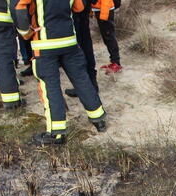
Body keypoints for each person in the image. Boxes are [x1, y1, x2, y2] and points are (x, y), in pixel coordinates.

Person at [9, 0, 108, 146]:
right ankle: (99, 120)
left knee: (50, 87)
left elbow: (17, 6)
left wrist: (26, 33)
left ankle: (57, 133)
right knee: (82, 80)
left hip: (45, 44)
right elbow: (79, 7)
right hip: (69, 42)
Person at [64, 4, 98, 98]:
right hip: (83, 8)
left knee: (79, 46)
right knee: (86, 41)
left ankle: (86, 86)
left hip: (75, 11)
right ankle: (91, 82)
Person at [93, 0, 122, 74]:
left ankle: (116, 63)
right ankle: (114, 62)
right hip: (100, 9)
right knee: (107, 37)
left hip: (104, 10)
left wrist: (104, 15)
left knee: (109, 37)